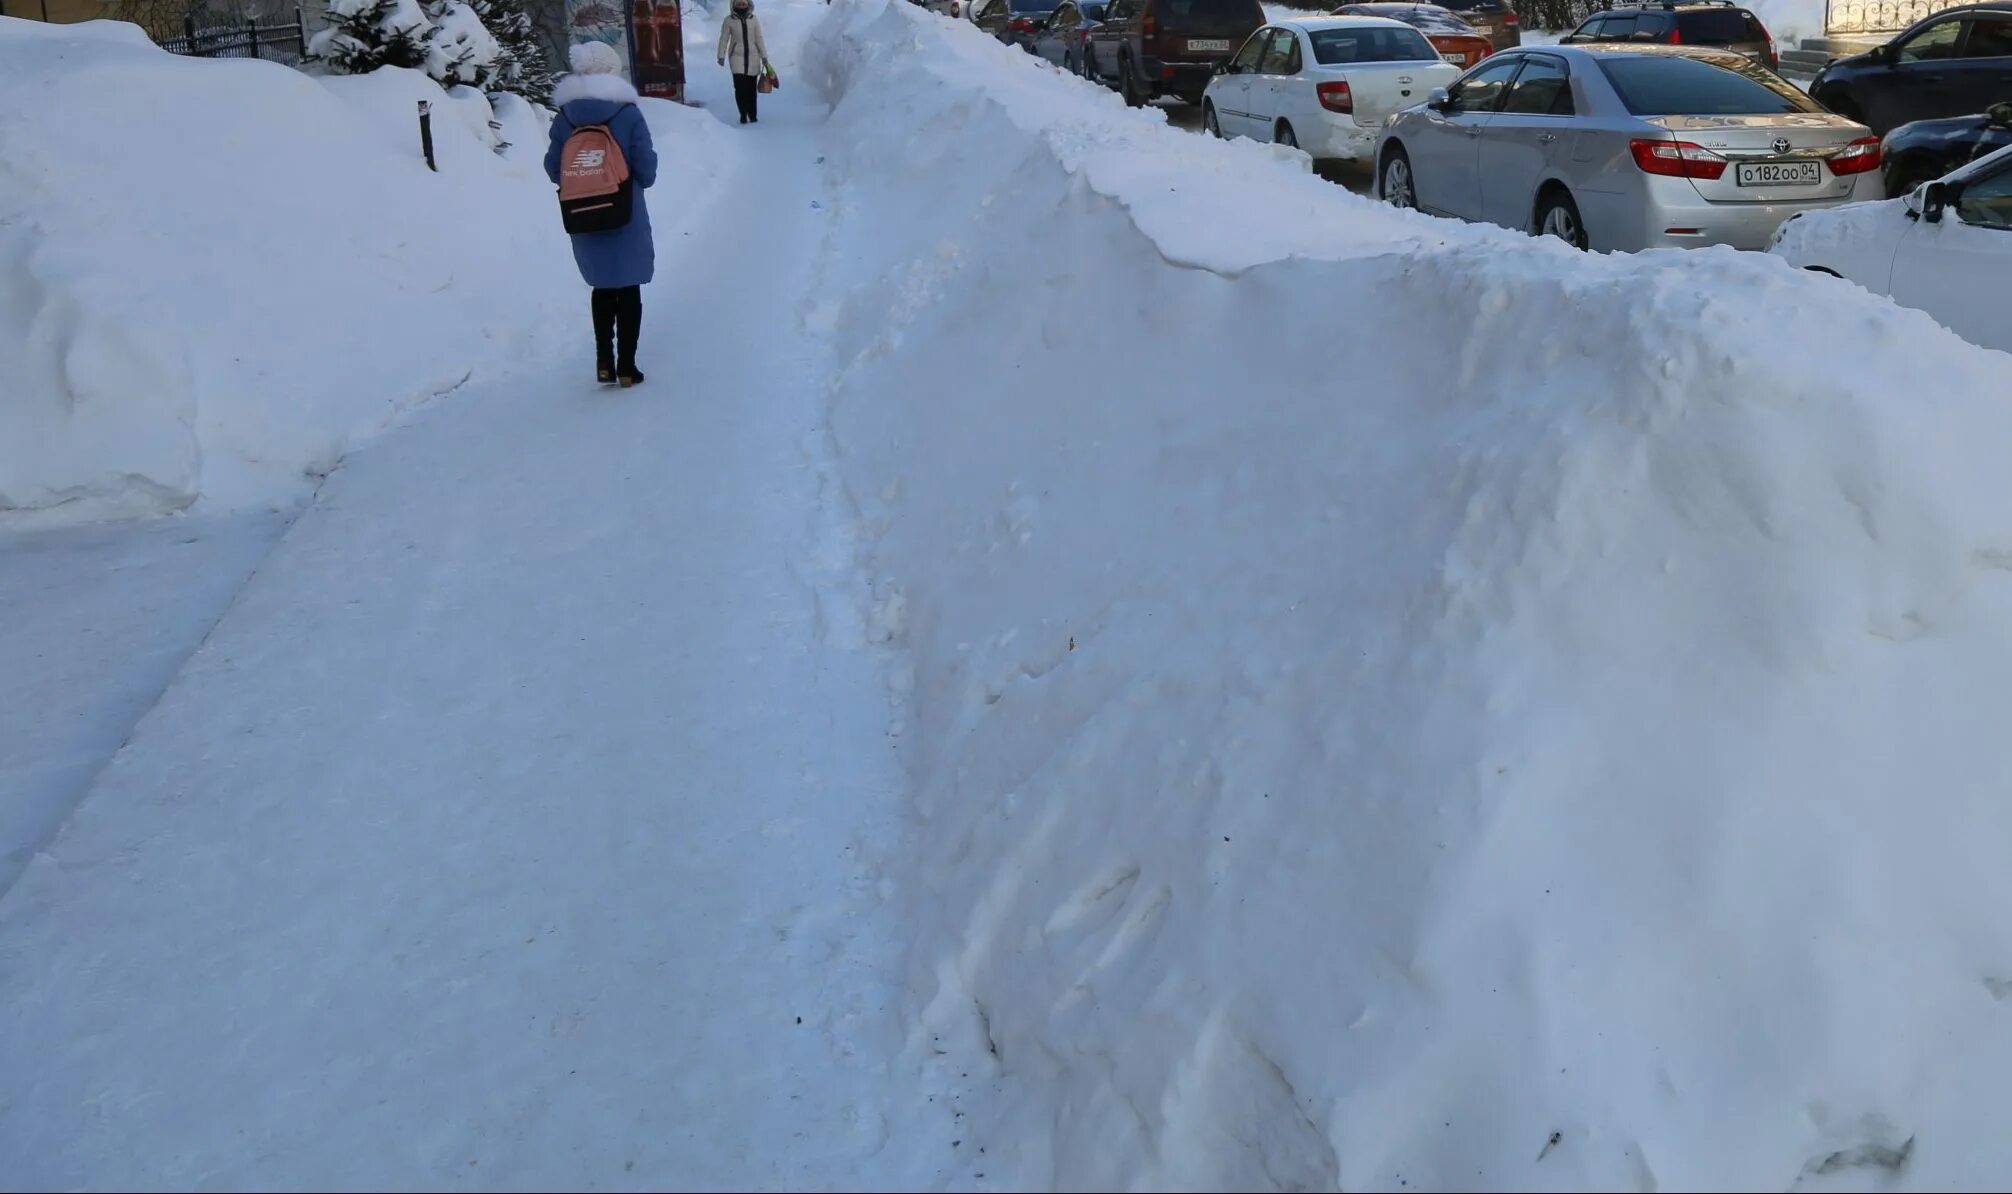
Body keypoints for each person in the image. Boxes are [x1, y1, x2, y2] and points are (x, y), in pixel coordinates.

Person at [545, 42, 659, 386]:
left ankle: (603, 362)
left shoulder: (565, 116)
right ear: (612, 71)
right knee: (628, 287)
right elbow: (647, 167)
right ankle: (627, 366)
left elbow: (554, 167)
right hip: (625, 209)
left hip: (582, 210)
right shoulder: (626, 113)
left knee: (602, 286)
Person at [716, 0, 771, 125]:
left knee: (751, 89)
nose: (741, 6)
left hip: (753, 57)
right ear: (733, 5)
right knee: (740, 88)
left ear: (748, 5)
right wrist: (721, 55)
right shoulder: (729, 20)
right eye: (738, 4)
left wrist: (764, 56)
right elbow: (724, 38)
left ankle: (752, 114)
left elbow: (759, 38)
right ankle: (742, 113)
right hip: (736, 57)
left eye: (743, 4)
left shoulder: (754, 19)